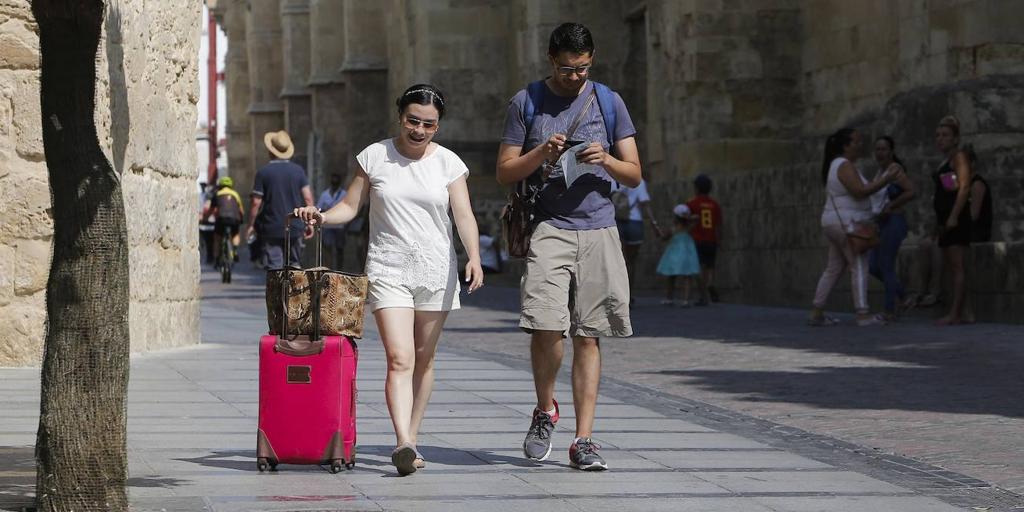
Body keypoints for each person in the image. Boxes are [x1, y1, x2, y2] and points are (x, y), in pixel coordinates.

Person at [294, 84, 484, 476]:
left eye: (428, 124)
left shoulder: (449, 163)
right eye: (413, 121)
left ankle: (412, 436)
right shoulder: (375, 156)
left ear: (438, 125)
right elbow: (350, 205)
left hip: (436, 269)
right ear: (400, 116)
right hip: (388, 268)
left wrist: (475, 258)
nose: (419, 129)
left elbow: (463, 215)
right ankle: (403, 442)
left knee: (424, 359)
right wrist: (322, 216)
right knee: (401, 357)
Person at [496, 22, 641, 471]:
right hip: (549, 227)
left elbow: (635, 173)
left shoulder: (609, 101)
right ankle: (545, 410)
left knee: (589, 334)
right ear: (549, 58)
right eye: (565, 68)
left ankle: (584, 439)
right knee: (545, 326)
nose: (573, 76)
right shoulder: (527, 102)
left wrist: (608, 159)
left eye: (581, 68)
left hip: (599, 228)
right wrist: (542, 153)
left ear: (591, 59)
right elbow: (504, 172)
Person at [809, 128, 900, 327]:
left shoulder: (837, 165)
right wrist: (886, 179)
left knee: (833, 268)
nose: (860, 145)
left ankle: (817, 310)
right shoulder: (844, 165)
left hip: (835, 221)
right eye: (856, 142)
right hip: (847, 224)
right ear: (846, 145)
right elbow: (859, 191)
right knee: (859, 264)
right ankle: (862, 314)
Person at [932, 115, 986, 325]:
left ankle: (955, 313)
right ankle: (966, 312)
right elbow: (950, 188)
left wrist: (954, 216)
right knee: (952, 266)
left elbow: (964, 188)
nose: (940, 139)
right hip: (946, 219)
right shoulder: (946, 161)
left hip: (956, 219)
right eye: (937, 135)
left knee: (957, 267)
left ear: (955, 138)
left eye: (945, 135)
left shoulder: (960, 157)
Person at [244, 130, 314, 269]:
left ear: (270, 151)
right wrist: (310, 223)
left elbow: (256, 202)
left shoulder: (263, 173)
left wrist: (251, 225)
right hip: (295, 225)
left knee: (275, 269)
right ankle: (294, 290)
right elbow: (308, 197)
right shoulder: (298, 171)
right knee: (295, 267)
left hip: (271, 227)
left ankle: (277, 290)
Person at [867, 136, 915, 321]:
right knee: (873, 266)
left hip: (894, 220)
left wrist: (891, 206)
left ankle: (889, 310)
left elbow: (911, 191)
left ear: (891, 151)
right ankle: (903, 296)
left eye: (883, 149)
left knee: (886, 264)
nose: (880, 153)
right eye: (877, 149)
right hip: (881, 222)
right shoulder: (880, 172)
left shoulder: (894, 169)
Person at [613, 178, 662, 306]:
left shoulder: (613, 177)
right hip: (634, 222)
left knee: (619, 260)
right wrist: (654, 224)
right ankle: (629, 295)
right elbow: (645, 204)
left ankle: (619, 295)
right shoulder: (638, 180)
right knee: (631, 262)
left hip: (616, 221)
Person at [686, 174, 722, 305]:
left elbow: (686, 221)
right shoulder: (715, 204)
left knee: (699, 268)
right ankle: (711, 283)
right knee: (710, 266)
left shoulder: (692, 203)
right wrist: (719, 240)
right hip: (711, 239)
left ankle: (703, 295)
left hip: (697, 239)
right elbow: (718, 224)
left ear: (696, 188)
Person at [656, 204, 701, 307]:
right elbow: (697, 218)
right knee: (687, 276)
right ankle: (686, 300)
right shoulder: (688, 227)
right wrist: (688, 217)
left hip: (673, 254)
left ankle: (669, 297)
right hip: (687, 254)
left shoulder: (674, 228)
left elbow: (664, 237)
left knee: (671, 276)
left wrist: (660, 234)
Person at [316, 173, 348, 270]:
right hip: (327, 226)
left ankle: (339, 270)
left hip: (339, 226)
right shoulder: (324, 194)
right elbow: (319, 208)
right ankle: (328, 271)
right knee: (327, 250)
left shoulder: (344, 194)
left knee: (339, 250)